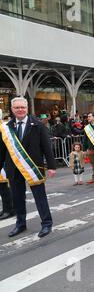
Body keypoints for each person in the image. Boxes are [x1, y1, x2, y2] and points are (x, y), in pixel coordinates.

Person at [0, 97, 56, 238]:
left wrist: (51, 166)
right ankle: (20, 224)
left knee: (40, 197)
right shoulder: (6, 128)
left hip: (33, 167)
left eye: (22, 107)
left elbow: (46, 147)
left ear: (27, 108)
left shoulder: (38, 124)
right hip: (13, 168)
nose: (20, 110)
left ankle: (46, 223)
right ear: (12, 110)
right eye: (17, 108)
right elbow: (2, 150)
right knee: (17, 197)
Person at [83, 112, 94, 184]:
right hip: (90, 148)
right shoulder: (87, 127)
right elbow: (85, 139)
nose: (88, 118)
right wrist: (84, 149)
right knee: (93, 163)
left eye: (89, 116)